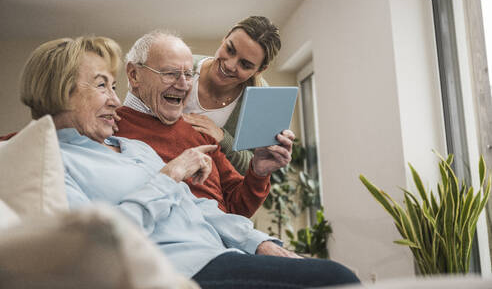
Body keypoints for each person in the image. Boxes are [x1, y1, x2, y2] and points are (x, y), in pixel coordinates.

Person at [19, 35, 360, 289]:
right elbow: (93, 247)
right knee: (335, 280)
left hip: (223, 254)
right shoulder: (49, 160)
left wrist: (259, 239)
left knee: (338, 275)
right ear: (61, 92)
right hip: (179, 271)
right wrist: (170, 176)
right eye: (101, 86)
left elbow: (205, 205)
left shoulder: (135, 147)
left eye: (188, 74)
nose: (113, 98)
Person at [116, 30, 293, 217]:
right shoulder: (109, 129)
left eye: (188, 74)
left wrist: (259, 172)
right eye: (170, 73)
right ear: (134, 75)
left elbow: (236, 207)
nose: (183, 85)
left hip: (221, 239)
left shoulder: (201, 132)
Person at [183, 16, 278, 175]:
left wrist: (222, 138)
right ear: (225, 38)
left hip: (213, 194)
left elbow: (254, 167)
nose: (229, 65)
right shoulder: (182, 66)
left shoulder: (261, 100)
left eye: (245, 65)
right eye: (230, 49)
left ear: (260, 70)